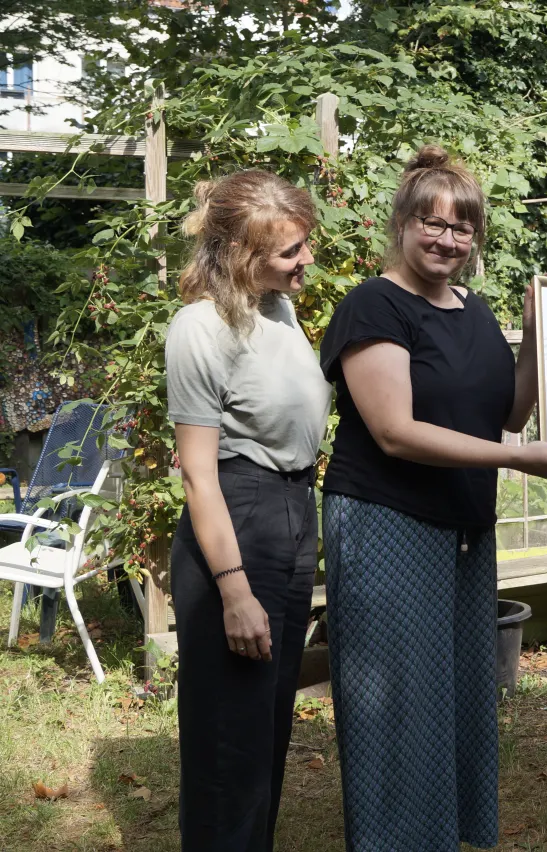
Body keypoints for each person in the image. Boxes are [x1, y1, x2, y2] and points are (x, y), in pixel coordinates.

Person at [318, 145, 547, 851]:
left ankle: (441, 835)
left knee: (454, 693)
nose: (446, 239)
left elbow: (511, 414)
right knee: (397, 702)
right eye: (431, 223)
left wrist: (538, 334)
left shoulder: (475, 309)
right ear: (402, 224)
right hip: (386, 522)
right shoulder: (374, 305)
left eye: (461, 228)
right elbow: (395, 432)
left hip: (463, 529)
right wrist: (519, 460)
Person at [166, 170, 332, 851]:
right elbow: (199, 476)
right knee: (228, 737)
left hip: (291, 511)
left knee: (264, 724)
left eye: (304, 243)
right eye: (291, 250)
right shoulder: (200, 328)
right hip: (236, 516)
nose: (306, 259)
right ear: (241, 254)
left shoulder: (277, 309)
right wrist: (234, 592)